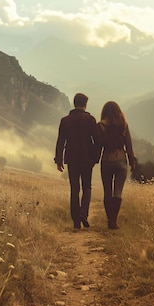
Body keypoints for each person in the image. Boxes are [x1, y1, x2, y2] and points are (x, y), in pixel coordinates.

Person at [54, 93, 101, 230]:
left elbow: (60, 142)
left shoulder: (65, 120)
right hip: (87, 159)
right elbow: (97, 141)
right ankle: (83, 214)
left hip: (72, 159)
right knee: (87, 187)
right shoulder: (90, 120)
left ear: (74, 103)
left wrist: (59, 160)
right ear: (85, 104)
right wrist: (95, 158)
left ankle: (76, 222)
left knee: (74, 189)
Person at [97, 101, 136, 229]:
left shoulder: (101, 126)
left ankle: (110, 220)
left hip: (106, 160)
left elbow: (98, 145)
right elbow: (129, 145)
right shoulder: (123, 125)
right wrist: (132, 161)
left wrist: (94, 160)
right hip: (121, 161)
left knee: (107, 192)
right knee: (117, 192)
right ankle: (113, 221)